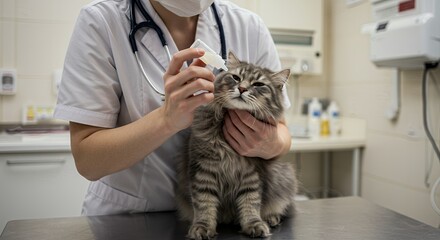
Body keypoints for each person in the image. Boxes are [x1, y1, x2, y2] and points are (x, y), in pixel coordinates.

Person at [54, 0, 292, 216]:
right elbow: (87, 161)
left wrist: (272, 143)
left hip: (223, 218)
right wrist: (166, 120)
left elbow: (281, 131)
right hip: (130, 217)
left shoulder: (247, 25)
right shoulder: (102, 22)